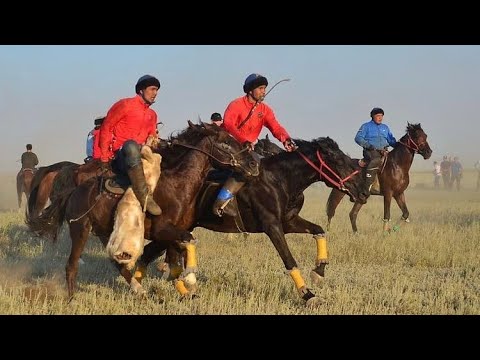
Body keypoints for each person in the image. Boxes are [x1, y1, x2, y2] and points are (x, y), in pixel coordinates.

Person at [212, 73, 297, 217]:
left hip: (249, 148)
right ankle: (221, 202)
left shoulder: (265, 110)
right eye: (261, 88)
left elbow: (276, 128)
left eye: (265, 88)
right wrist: (243, 139)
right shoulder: (236, 104)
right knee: (251, 164)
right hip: (229, 145)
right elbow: (228, 124)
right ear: (251, 90)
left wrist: (286, 139)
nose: (264, 91)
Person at [98, 74, 162, 216]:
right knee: (131, 146)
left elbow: (153, 135)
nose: (155, 93)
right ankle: (144, 197)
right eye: (152, 89)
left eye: (157, 90)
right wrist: (104, 158)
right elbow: (107, 127)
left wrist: (154, 140)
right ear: (141, 90)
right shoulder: (125, 104)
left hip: (142, 155)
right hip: (122, 155)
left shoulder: (153, 114)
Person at [354, 107, 397, 196]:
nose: (380, 118)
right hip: (370, 151)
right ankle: (367, 187)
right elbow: (358, 138)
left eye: (381, 116)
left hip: (384, 151)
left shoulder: (385, 127)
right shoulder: (366, 126)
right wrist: (368, 146)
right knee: (376, 160)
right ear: (373, 116)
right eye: (378, 116)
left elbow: (391, 140)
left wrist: (399, 145)